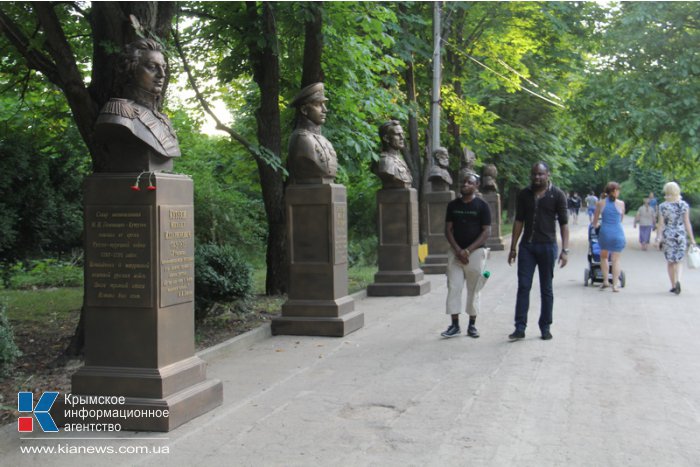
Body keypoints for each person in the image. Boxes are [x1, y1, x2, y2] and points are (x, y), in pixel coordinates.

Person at [95, 38, 180, 172]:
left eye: (163, 67)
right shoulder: (118, 114)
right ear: (131, 70)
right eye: (152, 67)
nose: (162, 74)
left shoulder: (163, 120)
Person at [507, 162, 569, 341]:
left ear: (548, 174)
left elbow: (564, 224)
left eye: (541, 174)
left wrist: (565, 250)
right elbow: (518, 221)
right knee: (524, 286)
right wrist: (513, 247)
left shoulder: (557, 195)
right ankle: (520, 327)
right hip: (527, 247)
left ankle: (545, 326)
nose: (537, 177)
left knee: (546, 288)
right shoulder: (524, 194)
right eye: (534, 174)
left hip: (547, 247)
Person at [441, 173, 492, 338]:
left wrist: (468, 251)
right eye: (463, 181)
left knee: (474, 289)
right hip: (455, 253)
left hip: (475, 253)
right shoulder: (453, 205)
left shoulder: (482, 206)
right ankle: (454, 325)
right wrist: (458, 250)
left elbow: (486, 232)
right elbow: (448, 229)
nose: (465, 184)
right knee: (454, 287)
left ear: (476, 186)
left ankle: (472, 325)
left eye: (470, 182)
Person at [287, 82, 337, 184]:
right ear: (304, 110)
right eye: (318, 105)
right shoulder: (301, 139)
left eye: (324, 104)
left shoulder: (325, 141)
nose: (325, 110)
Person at [657, 182, 697, 294]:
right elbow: (687, 222)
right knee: (678, 261)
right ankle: (678, 280)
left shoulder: (663, 206)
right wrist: (692, 239)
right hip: (680, 234)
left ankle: (673, 285)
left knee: (670, 261)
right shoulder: (684, 205)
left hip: (668, 235)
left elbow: (661, 224)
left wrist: (658, 238)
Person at [592, 182, 626, 292]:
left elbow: (595, 222)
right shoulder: (621, 204)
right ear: (616, 191)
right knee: (616, 260)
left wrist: (597, 226)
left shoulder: (600, 203)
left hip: (605, 233)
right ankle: (615, 285)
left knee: (604, 257)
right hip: (617, 233)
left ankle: (606, 281)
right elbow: (621, 220)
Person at [372, 121, 412, 188]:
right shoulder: (385, 162)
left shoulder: (400, 160)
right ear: (386, 138)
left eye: (402, 134)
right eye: (397, 134)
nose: (402, 137)